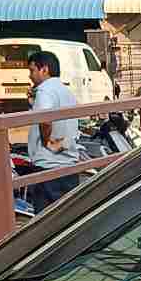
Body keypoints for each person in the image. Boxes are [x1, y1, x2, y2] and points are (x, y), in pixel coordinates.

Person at [25, 49, 89, 210]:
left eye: (32, 70)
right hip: (68, 163)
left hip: (49, 165)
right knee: (68, 214)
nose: (30, 76)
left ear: (44, 69)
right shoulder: (65, 90)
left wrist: (47, 142)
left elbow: (45, 119)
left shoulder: (45, 90)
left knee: (46, 218)